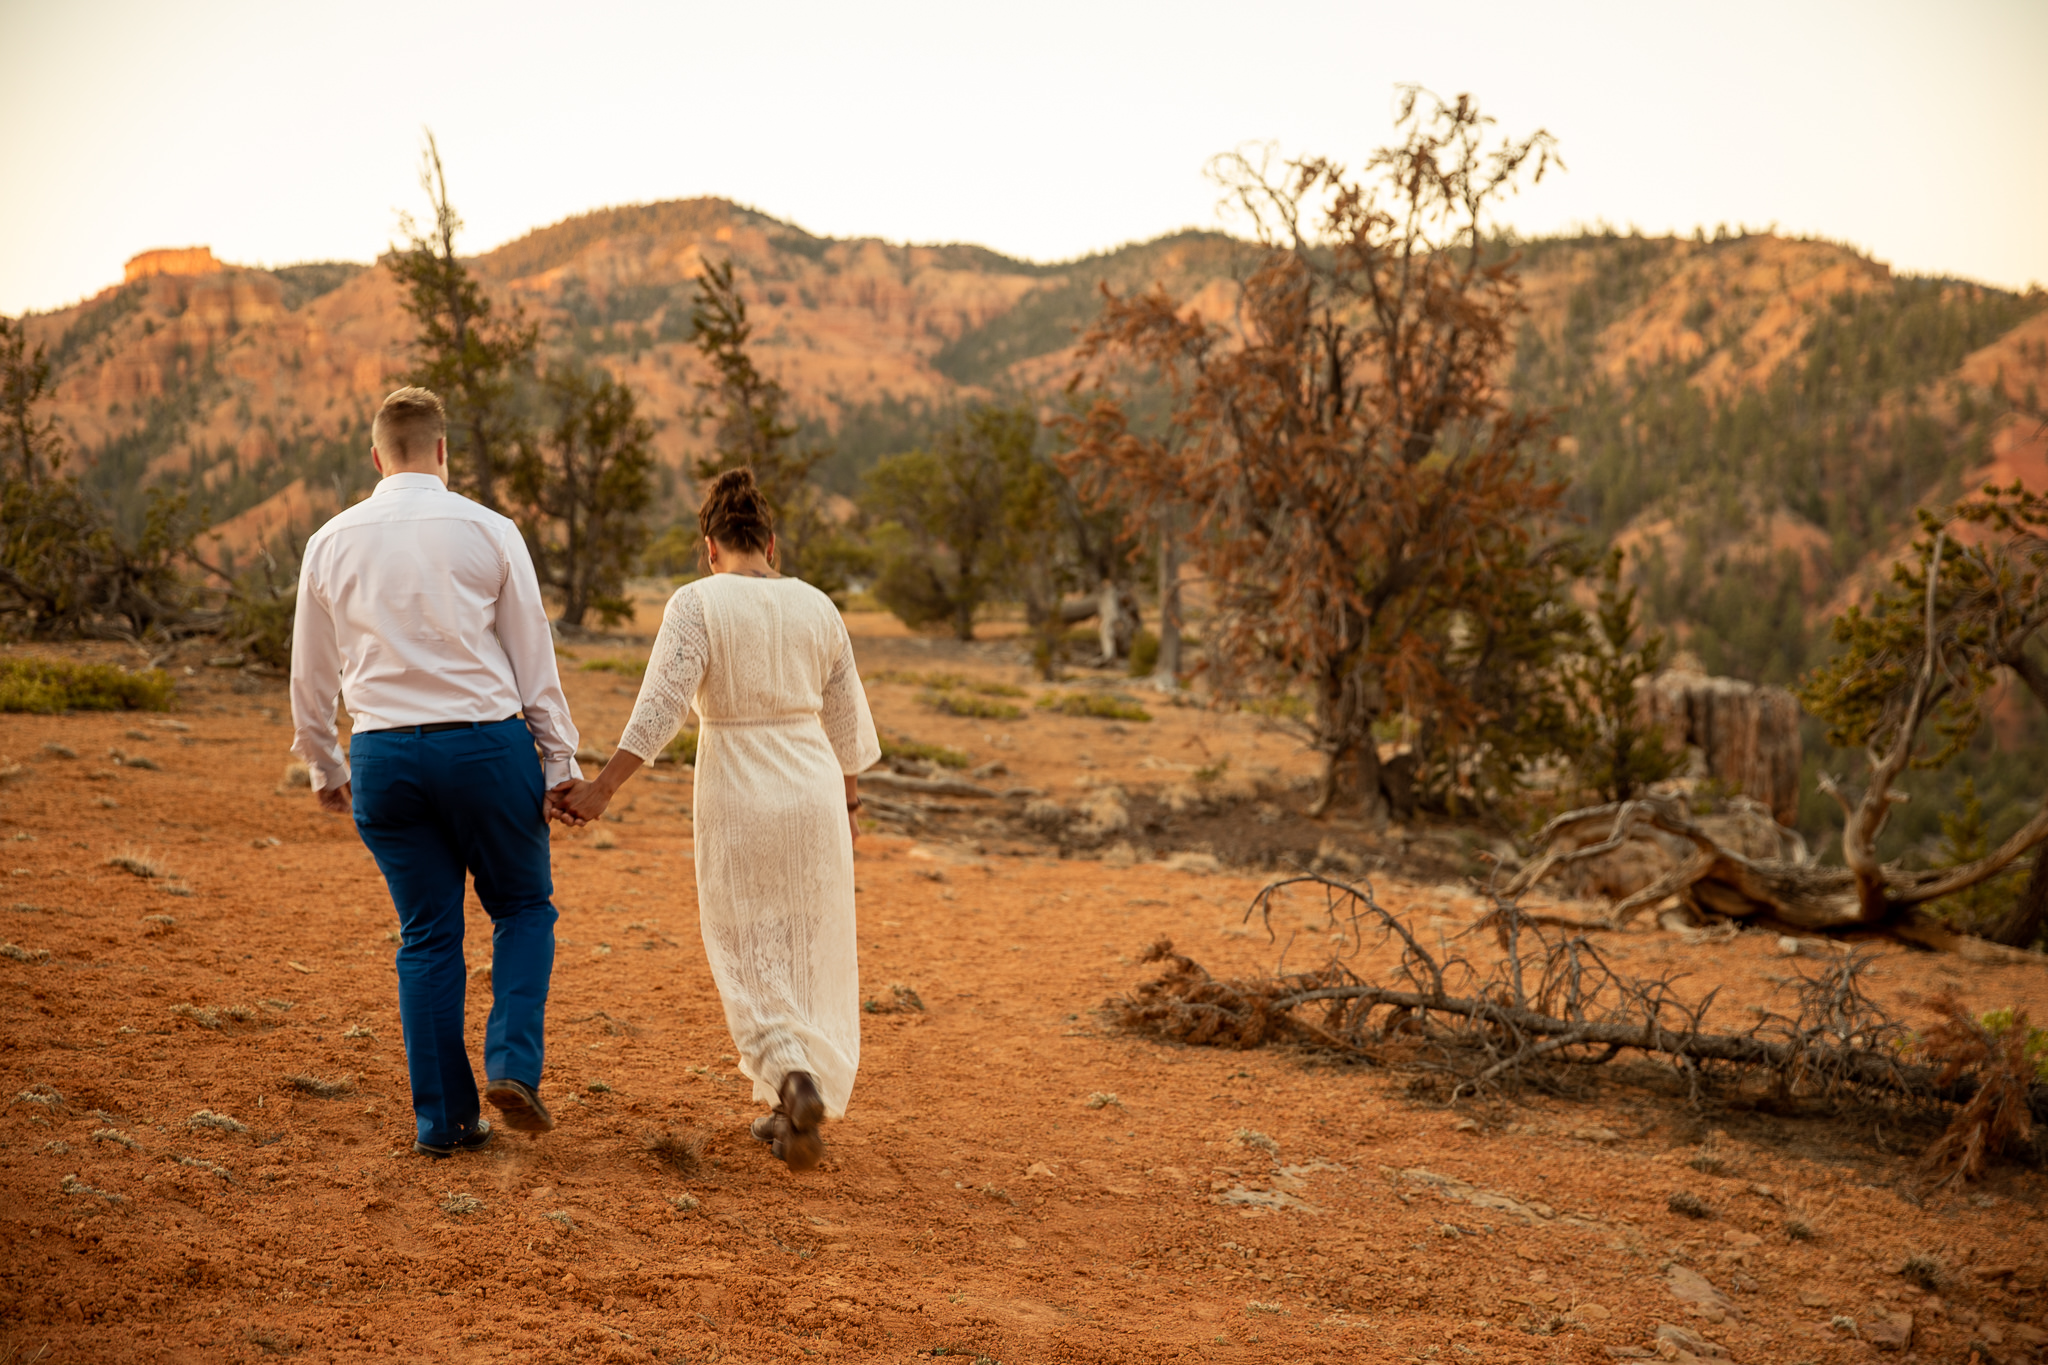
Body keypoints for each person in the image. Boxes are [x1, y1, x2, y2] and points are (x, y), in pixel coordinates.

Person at [548, 467, 879, 1171]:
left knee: (743, 940)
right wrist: (849, 807)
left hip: (740, 782)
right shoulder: (819, 606)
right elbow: (847, 721)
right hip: (813, 784)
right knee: (806, 944)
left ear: (711, 547)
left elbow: (661, 707)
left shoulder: (696, 603)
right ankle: (791, 1096)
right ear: (772, 544)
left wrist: (603, 786)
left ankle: (791, 1077)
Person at [290, 386, 581, 1158]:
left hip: (384, 756)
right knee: (522, 907)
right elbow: (532, 656)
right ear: (443, 451)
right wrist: (559, 760)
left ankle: (444, 1123)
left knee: (426, 938)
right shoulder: (489, 529)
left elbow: (309, 677)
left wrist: (327, 764)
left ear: (377, 454)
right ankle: (513, 1064)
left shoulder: (330, 540)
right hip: (485, 748)